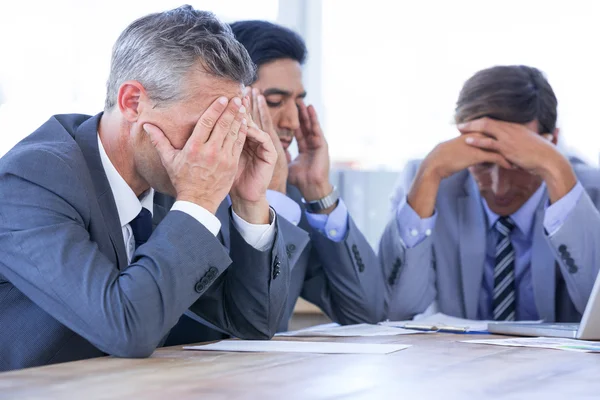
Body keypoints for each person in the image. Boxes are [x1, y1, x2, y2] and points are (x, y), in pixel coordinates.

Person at [0, 6, 290, 372]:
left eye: (229, 126)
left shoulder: (171, 180)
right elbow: (126, 329)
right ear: (133, 102)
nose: (218, 147)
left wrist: (250, 202)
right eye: (206, 125)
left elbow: (255, 323)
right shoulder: (33, 178)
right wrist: (198, 200)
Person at [161, 20, 384, 344]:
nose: (293, 121)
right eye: (275, 101)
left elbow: (367, 313)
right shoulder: (176, 190)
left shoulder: (294, 196)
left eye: (298, 101)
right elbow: (246, 329)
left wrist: (317, 190)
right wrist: (269, 196)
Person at [380, 65, 600, 323]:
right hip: (457, 361)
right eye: (483, 163)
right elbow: (392, 311)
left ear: (551, 144)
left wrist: (556, 168)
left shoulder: (589, 191)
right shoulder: (428, 181)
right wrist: (429, 175)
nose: (499, 188)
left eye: (517, 164)